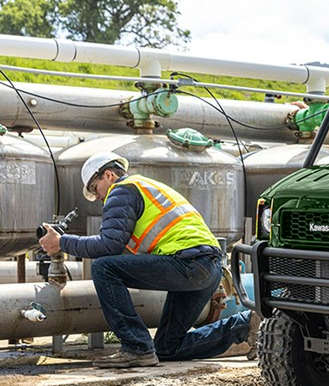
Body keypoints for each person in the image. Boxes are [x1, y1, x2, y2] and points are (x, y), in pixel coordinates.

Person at [38, 151, 255, 368]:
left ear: (109, 175)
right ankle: (247, 325)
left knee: (104, 268)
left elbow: (108, 245)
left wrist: (62, 242)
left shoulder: (121, 190)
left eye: (95, 188)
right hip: (208, 266)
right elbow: (125, 249)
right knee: (168, 348)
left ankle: (136, 347)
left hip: (188, 263)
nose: (97, 197)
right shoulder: (145, 187)